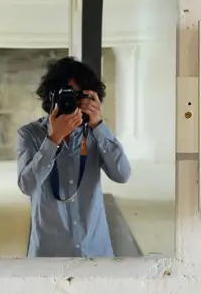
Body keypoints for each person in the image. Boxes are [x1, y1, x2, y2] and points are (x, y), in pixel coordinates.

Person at [16, 56, 131, 257]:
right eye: (65, 94)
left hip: (95, 251)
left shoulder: (96, 134)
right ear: (51, 97)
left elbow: (122, 174)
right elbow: (27, 186)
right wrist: (53, 140)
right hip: (49, 255)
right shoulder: (30, 134)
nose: (71, 102)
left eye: (78, 96)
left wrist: (98, 125)